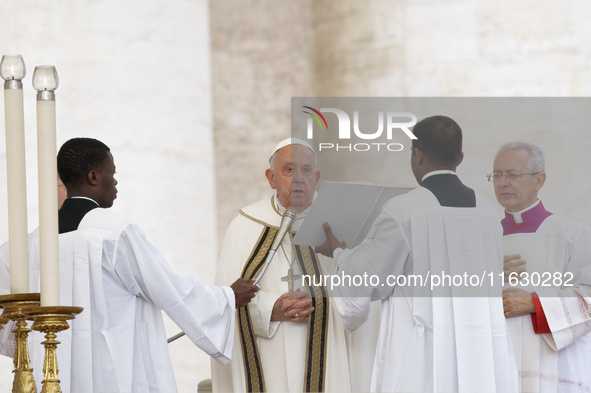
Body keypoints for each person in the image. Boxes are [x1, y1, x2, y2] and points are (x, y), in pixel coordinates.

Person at [22, 137, 258, 393]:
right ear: (93, 177)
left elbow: (13, 325)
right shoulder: (115, 232)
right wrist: (226, 296)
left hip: (48, 372)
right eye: (111, 173)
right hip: (114, 374)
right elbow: (168, 288)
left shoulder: (31, 243)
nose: (115, 181)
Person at [317, 115, 518, 392]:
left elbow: (362, 279)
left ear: (417, 155)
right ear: (460, 157)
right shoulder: (487, 212)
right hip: (480, 353)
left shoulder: (404, 210)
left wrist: (338, 253)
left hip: (424, 358)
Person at [211, 138, 352, 393]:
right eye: (289, 170)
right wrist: (270, 308)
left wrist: (321, 301)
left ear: (317, 176)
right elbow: (224, 303)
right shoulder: (245, 227)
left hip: (328, 358)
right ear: (271, 178)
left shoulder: (341, 224)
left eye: (306, 170)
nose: (299, 179)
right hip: (267, 356)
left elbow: (363, 300)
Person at [491, 142, 591, 393]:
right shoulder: (481, 238)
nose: (502, 182)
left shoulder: (573, 235)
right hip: (494, 359)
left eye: (512, 175)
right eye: (497, 175)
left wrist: (535, 303)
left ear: (539, 180)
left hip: (554, 367)